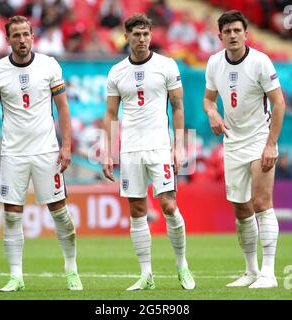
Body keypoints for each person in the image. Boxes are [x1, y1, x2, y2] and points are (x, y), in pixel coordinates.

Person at [0, 16, 82, 292]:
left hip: (46, 151)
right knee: (12, 215)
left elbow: (62, 108)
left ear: (32, 36)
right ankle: (16, 276)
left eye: (26, 34)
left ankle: (71, 270)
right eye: (17, 35)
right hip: (13, 153)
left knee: (59, 213)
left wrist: (66, 145)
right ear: (8, 39)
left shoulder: (49, 65)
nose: (22, 40)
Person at [103, 13, 195, 291]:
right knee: (137, 211)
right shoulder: (116, 72)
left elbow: (178, 107)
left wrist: (179, 147)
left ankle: (182, 265)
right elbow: (110, 113)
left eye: (146, 34)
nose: (142, 39)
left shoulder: (166, 65)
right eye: (136, 34)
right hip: (130, 149)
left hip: (159, 146)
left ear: (151, 35)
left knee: (168, 206)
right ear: (126, 36)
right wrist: (108, 152)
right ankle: (146, 275)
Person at [203, 10, 285, 289]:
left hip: (260, 138)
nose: (233, 35)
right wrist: (212, 113)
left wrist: (272, 143)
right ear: (220, 36)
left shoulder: (260, 62)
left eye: (237, 30)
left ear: (246, 34)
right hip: (232, 142)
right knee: (241, 209)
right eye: (228, 32)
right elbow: (208, 100)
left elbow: (279, 103)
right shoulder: (214, 63)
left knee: (262, 203)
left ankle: (269, 273)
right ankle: (250, 271)